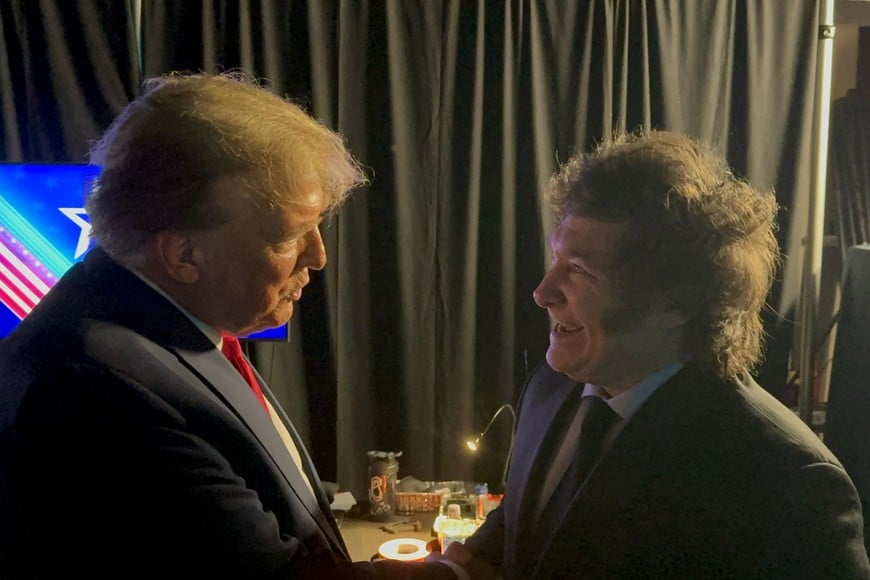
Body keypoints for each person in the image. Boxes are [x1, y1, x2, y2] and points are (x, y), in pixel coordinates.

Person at [0, 72, 456, 579]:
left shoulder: (156, 319)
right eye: (289, 235)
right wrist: (461, 573)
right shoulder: (98, 391)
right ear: (183, 253)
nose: (319, 256)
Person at [436, 130, 870, 578]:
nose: (543, 292)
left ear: (677, 304)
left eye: (580, 271)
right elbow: (527, 526)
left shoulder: (790, 483)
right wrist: (457, 572)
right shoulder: (548, 388)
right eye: (556, 260)